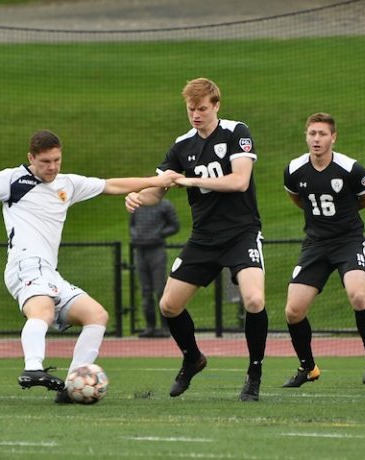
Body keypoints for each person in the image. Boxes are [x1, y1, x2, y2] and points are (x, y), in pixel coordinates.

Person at [0, 129, 180, 404]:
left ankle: (71, 384)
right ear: (31, 158)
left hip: (49, 272)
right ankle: (32, 367)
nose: (52, 167)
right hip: (24, 265)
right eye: (45, 162)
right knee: (41, 311)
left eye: (56, 160)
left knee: (97, 315)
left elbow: (113, 185)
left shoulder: (67, 184)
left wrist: (156, 181)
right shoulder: (11, 180)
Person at [125, 77, 268, 402]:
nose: (196, 115)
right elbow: (159, 189)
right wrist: (137, 196)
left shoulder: (236, 132)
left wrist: (190, 180)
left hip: (241, 232)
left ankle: (254, 374)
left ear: (216, 105)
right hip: (204, 237)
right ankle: (193, 358)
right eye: (191, 109)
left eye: (202, 108)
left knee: (254, 300)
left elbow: (240, 181)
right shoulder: (182, 145)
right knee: (169, 305)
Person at [281, 112, 365, 389]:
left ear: (333, 137)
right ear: (306, 136)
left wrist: (342, 218)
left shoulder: (351, 169)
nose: (316, 139)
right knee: (293, 311)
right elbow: (297, 198)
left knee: (358, 296)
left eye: (322, 134)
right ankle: (308, 367)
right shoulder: (294, 169)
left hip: (349, 241)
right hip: (315, 244)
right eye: (312, 133)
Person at [129, 198, 180, 338]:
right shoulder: (138, 203)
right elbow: (132, 225)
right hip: (140, 251)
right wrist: (135, 235)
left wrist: (158, 234)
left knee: (160, 289)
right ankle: (149, 326)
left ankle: (165, 327)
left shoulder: (165, 204)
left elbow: (175, 226)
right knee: (145, 291)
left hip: (156, 250)